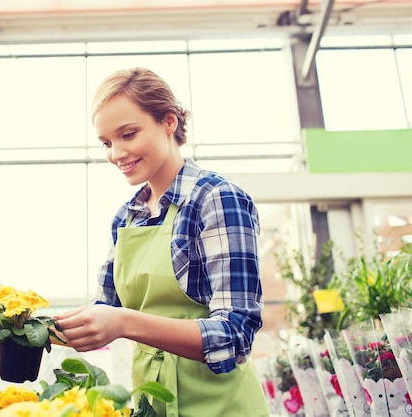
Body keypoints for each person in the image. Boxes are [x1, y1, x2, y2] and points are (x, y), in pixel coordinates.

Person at [54, 67, 269, 417]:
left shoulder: (217, 199)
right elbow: (104, 307)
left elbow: (236, 333)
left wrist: (124, 323)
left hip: (223, 407)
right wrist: (24, 325)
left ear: (169, 122)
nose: (116, 153)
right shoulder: (127, 216)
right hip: (153, 404)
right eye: (107, 143)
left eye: (128, 134)